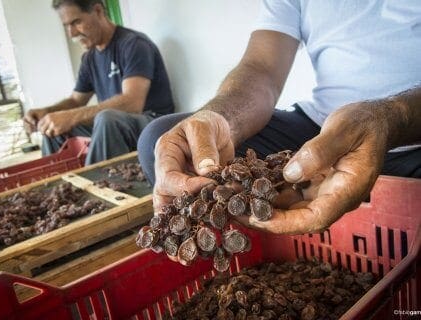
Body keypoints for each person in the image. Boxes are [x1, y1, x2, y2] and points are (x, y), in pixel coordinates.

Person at [137, 0, 421, 235]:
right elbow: (262, 68)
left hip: (412, 130)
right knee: (169, 140)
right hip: (320, 126)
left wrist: (391, 118)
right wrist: (219, 119)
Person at [23, 0, 174, 165]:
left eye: (76, 22)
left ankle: (95, 187)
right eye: (67, 26)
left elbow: (132, 103)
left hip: (155, 125)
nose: (72, 33)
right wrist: (47, 113)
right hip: (116, 125)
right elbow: (75, 101)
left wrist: (71, 116)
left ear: (98, 11)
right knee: (54, 128)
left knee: (107, 118)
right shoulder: (89, 59)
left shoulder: (134, 45)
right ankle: (58, 187)